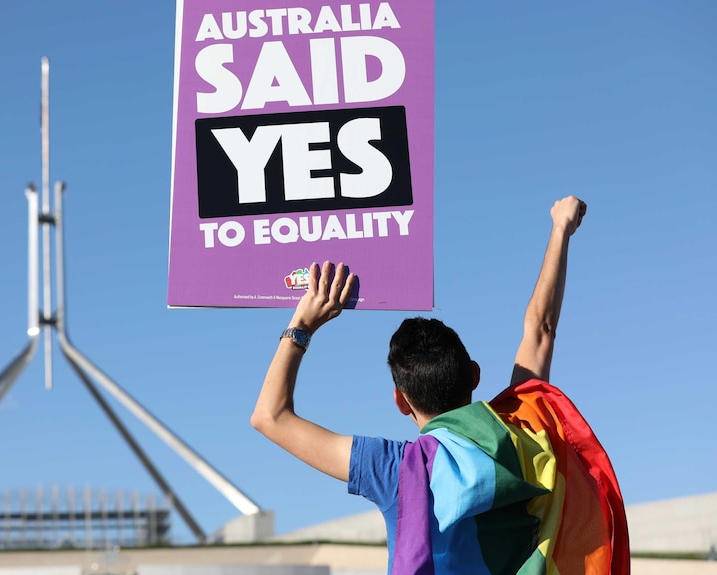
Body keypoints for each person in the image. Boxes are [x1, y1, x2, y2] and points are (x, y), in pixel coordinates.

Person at [251, 197, 629, 575]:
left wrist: (302, 322)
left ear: (401, 401)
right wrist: (560, 228)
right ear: (475, 375)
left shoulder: (395, 469)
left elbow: (270, 417)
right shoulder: (523, 432)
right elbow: (541, 330)